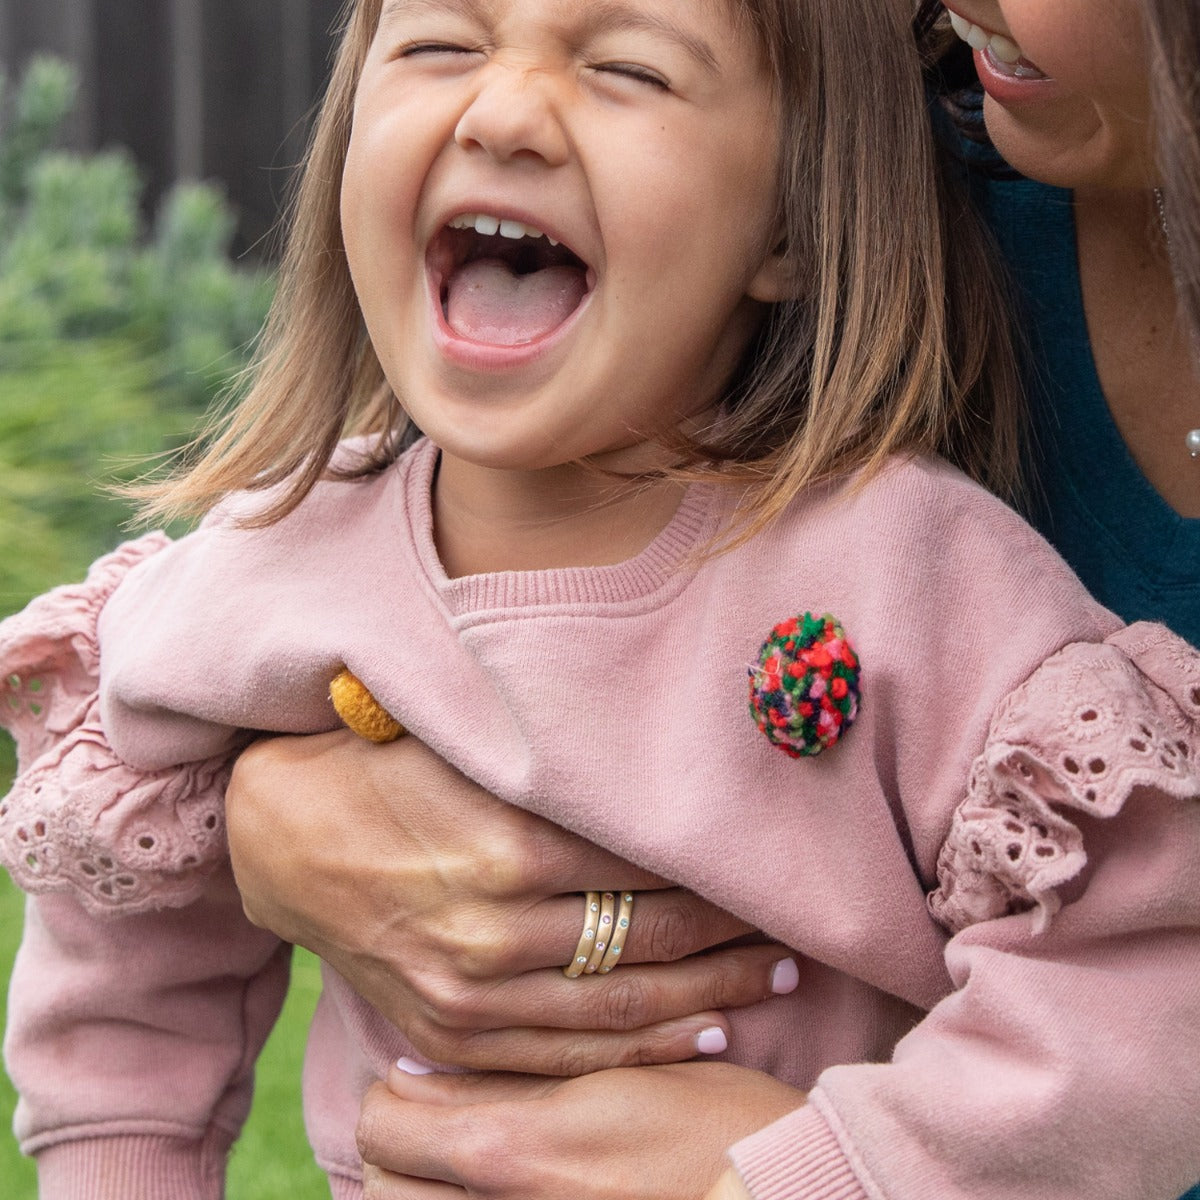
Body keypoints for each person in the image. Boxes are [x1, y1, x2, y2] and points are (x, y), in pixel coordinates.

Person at [2, 5, 1199, 1200]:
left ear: (788, 224)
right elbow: (123, 943)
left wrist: (820, 1177)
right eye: (437, 47)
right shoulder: (270, 562)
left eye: (627, 69)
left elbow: (1137, 980)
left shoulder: (915, 576)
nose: (508, 113)